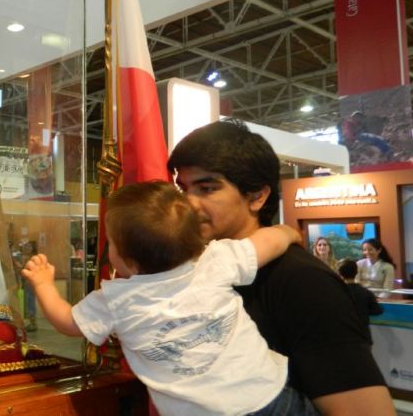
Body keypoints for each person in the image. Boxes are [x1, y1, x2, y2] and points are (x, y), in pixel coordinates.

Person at [23, 181, 312, 415]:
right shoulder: (215, 260)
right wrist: (288, 232)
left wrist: (44, 283)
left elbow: (67, 322)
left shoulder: (116, 299)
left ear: (129, 262)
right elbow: (268, 242)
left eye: (110, 242)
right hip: (268, 396)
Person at [168, 120, 394, 415]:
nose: (188, 204)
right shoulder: (197, 267)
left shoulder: (301, 280)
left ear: (257, 196)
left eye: (207, 188)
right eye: (183, 189)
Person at [338, 259, 383, 342]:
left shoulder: (336, 292)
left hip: (343, 336)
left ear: (340, 273)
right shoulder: (366, 292)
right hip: (363, 335)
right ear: (356, 272)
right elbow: (377, 310)